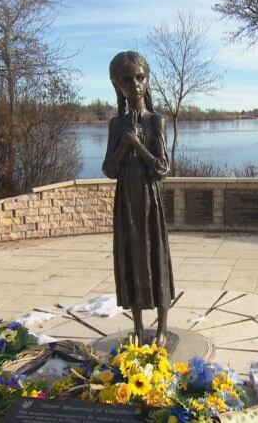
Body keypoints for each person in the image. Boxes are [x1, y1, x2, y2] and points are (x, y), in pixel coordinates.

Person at [102, 51, 174, 345]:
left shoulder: (156, 121)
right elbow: (109, 168)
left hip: (148, 200)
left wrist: (138, 146)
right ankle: (138, 326)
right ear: (117, 85)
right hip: (126, 203)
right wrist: (123, 145)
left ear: (147, 80)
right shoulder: (116, 126)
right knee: (131, 257)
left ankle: (161, 329)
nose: (135, 84)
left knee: (154, 256)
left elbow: (162, 168)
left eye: (140, 78)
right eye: (127, 80)